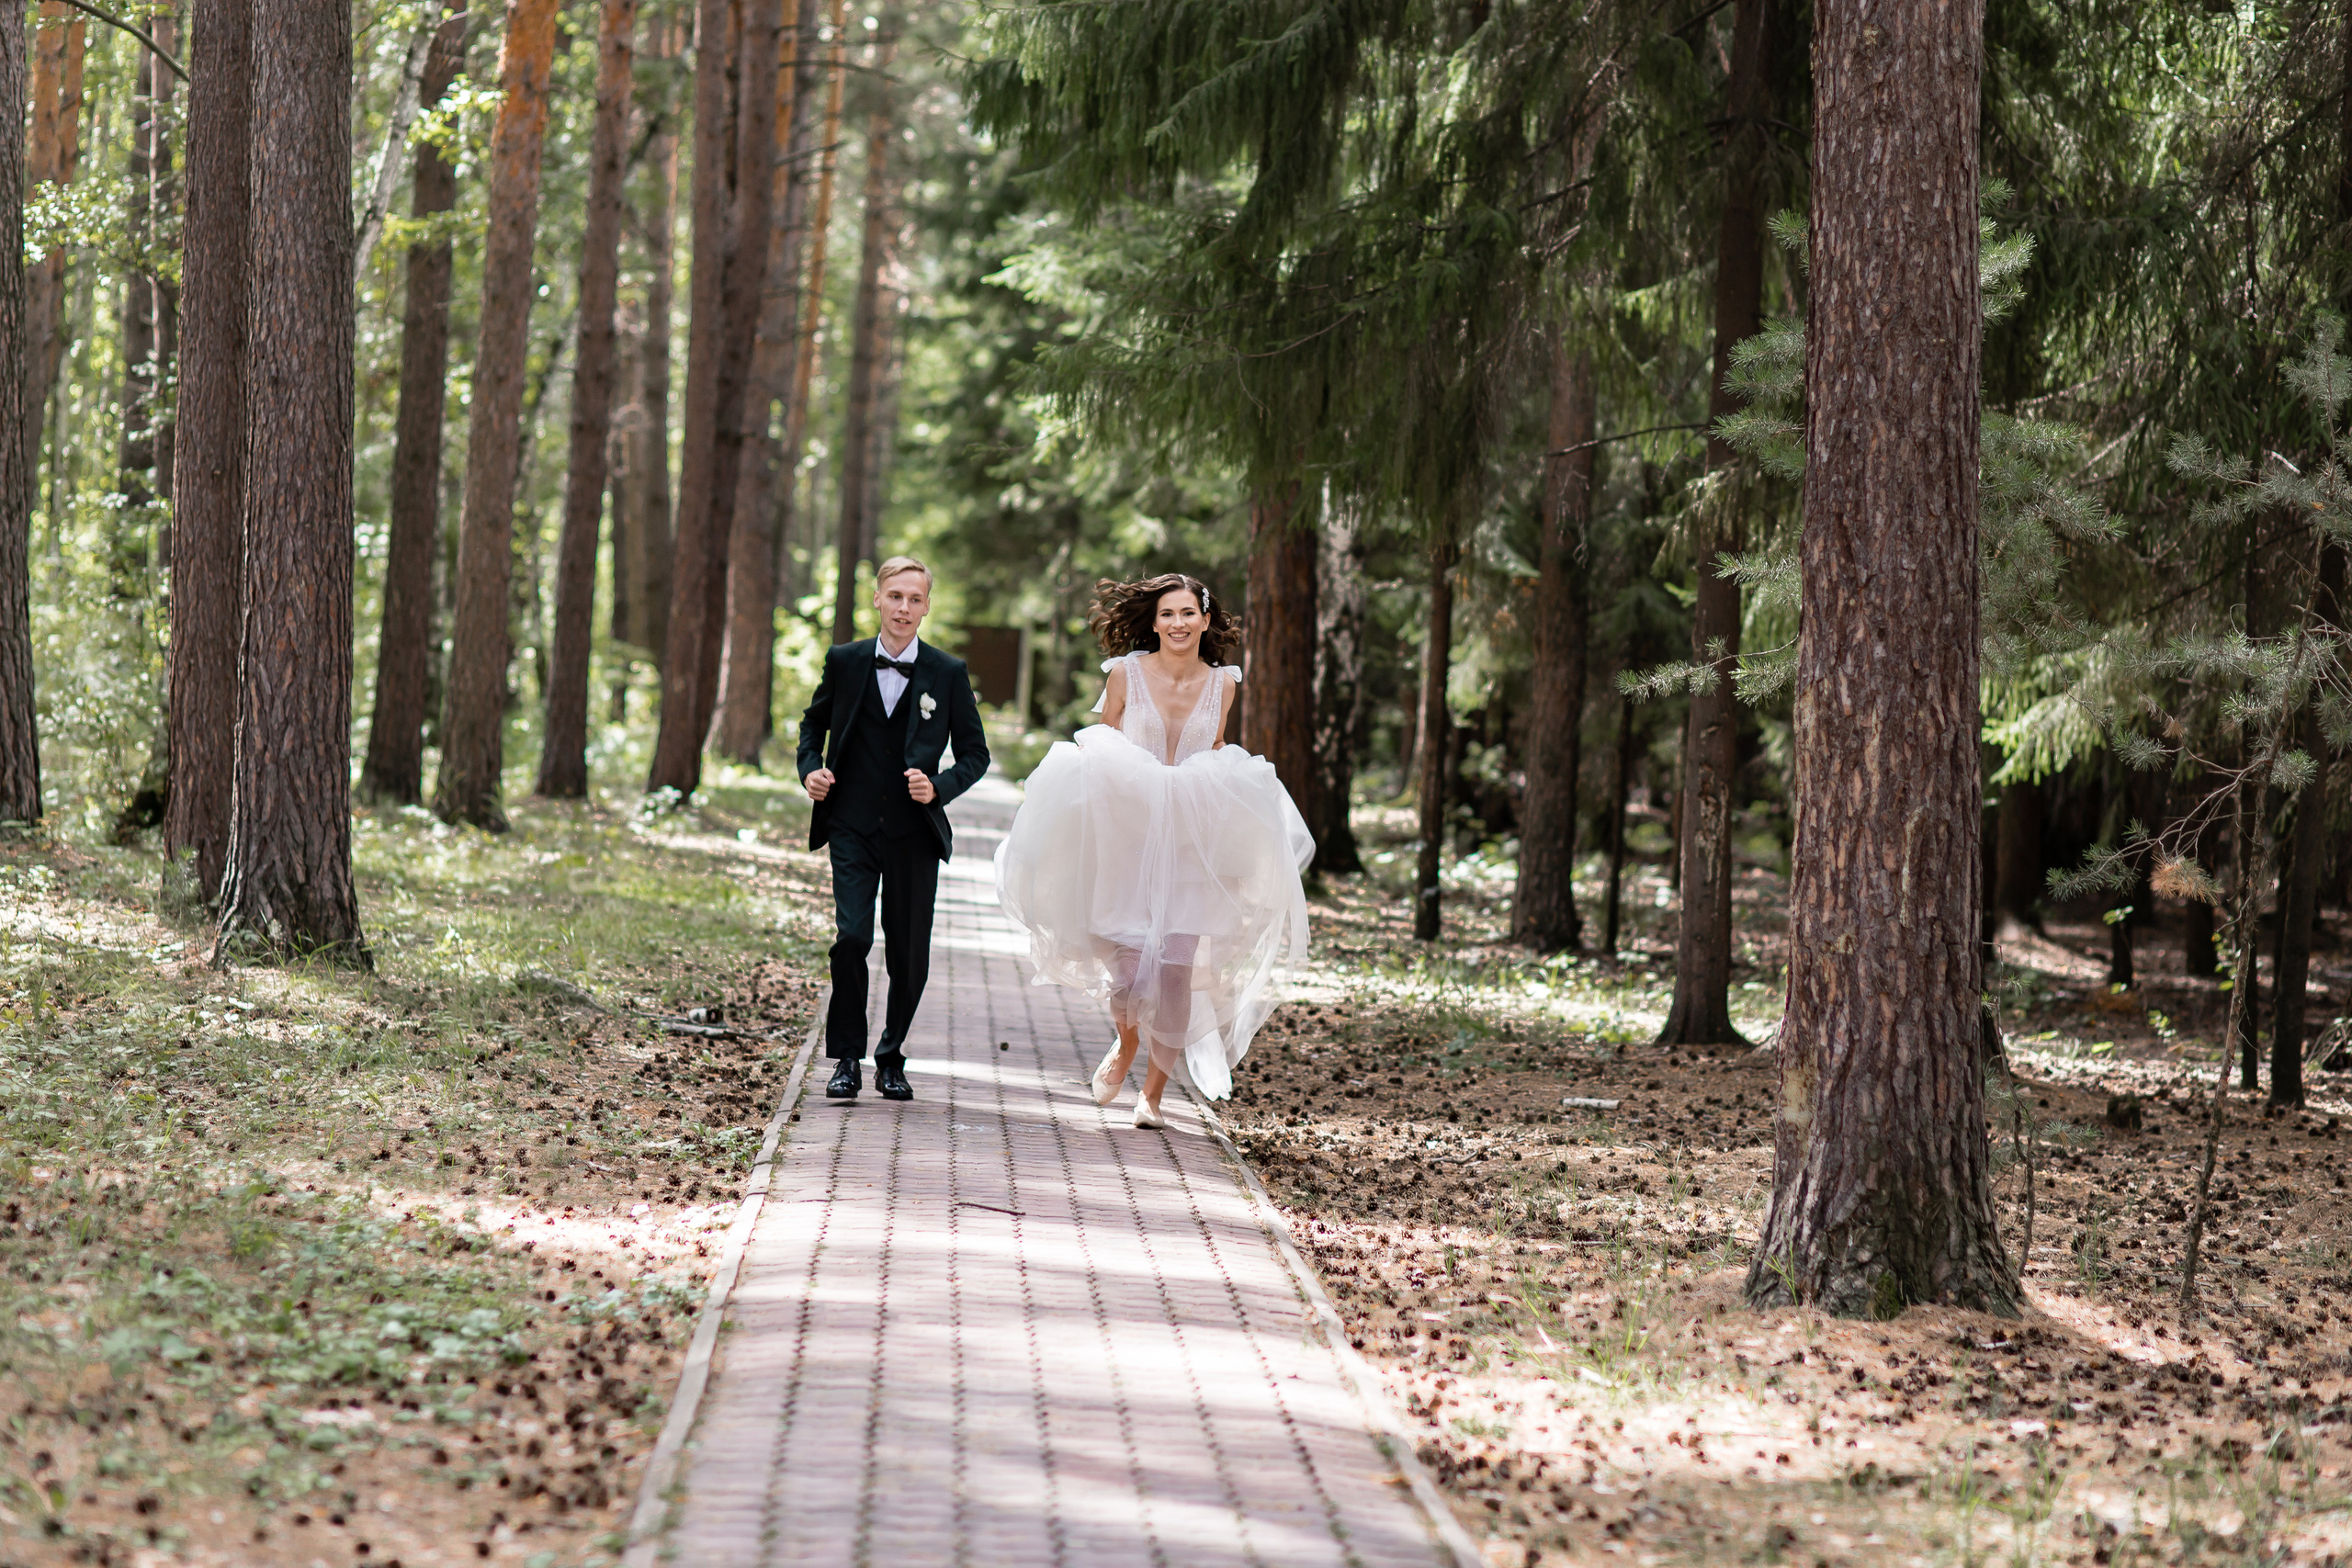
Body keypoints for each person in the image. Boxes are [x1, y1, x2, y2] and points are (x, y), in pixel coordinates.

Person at [995, 573, 1313, 1128]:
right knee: (1128, 970)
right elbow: (1101, 751)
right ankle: (1124, 1042)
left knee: (1175, 970)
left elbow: (1213, 754)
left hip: (1191, 845)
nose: (1178, 624)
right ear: (1155, 621)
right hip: (1128, 839)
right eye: (1168, 614)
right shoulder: (1124, 674)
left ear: (1205, 620)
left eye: (1189, 613)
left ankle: (1153, 1097)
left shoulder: (1224, 685)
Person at [798, 557, 990, 1101]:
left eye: (915, 599)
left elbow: (975, 755)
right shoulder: (846, 661)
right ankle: (845, 1060)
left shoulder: (947, 674)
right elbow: (813, 725)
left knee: (909, 952)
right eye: (896, 596)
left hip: (912, 832)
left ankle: (891, 1056)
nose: (904, 607)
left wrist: (940, 787)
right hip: (852, 822)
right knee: (852, 937)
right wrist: (810, 769)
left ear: (926, 606)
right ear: (877, 600)